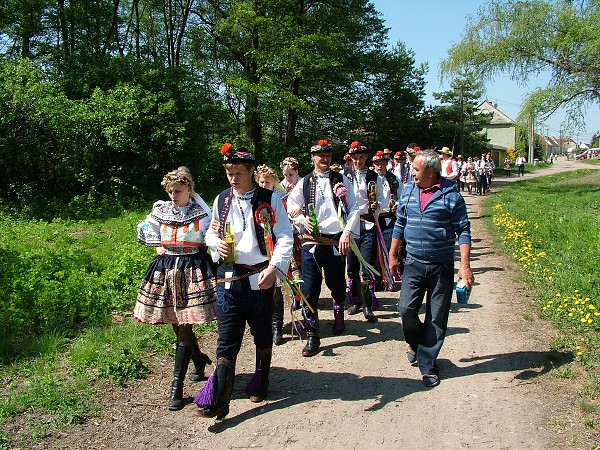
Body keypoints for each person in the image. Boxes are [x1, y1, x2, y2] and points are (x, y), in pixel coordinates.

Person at [194, 144, 293, 419]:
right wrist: (216, 245)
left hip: (259, 279)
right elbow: (211, 234)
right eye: (229, 173)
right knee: (227, 340)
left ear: (251, 171)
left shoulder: (270, 199)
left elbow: (285, 236)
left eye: (238, 173)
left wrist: (275, 267)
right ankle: (218, 400)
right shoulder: (221, 199)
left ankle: (261, 380)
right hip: (228, 279)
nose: (233, 178)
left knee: (261, 335)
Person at [389, 150, 473, 388]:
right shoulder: (408, 192)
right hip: (414, 263)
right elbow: (400, 224)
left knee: (436, 317)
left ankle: (428, 365)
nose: (412, 173)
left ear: (430, 171)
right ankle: (415, 342)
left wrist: (464, 267)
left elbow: (463, 231)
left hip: (441, 265)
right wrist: (393, 255)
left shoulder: (451, 195)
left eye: (416, 169)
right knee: (405, 309)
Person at [135, 166, 217, 411]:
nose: (173, 195)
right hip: (165, 270)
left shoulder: (201, 212)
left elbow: (211, 233)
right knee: (176, 324)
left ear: (188, 190)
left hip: (192, 271)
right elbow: (148, 228)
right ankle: (199, 360)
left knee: (184, 327)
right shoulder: (161, 209)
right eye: (170, 191)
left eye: (178, 191)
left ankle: (176, 389)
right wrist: (157, 245)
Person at [286, 139, 359, 357]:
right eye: (320, 155)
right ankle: (312, 335)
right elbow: (291, 204)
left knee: (336, 284)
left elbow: (354, 207)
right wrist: (300, 218)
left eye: (328, 155)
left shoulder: (341, 179)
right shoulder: (305, 182)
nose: (324, 159)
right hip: (311, 242)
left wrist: (347, 232)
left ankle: (338, 310)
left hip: (336, 241)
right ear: (313, 158)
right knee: (310, 289)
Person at [343, 141, 381, 322]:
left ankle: (367, 305)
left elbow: (381, 199)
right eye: (354, 158)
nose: (357, 161)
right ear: (350, 159)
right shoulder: (344, 176)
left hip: (368, 224)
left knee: (367, 266)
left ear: (366, 157)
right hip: (351, 227)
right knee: (351, 267)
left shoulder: (374, 176)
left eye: (361, 158)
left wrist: (377, 205)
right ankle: (355, 301)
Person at [255, 165, 288, 346]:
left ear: (274, 183)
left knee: (275, 286)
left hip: (276, 246)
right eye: (261, 181)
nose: (264, 184)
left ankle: (277, 327)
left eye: (268, 182)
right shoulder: (254, 198)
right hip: (259, 248)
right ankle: (264, 323)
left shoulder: (280, 199)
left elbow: (286, 223)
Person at [371, 150, 402, 290]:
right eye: (376, 164)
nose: (379, 166)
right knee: (374, 250)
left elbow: (402, 196)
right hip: (373, 219)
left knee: (388, 248)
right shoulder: (369, 179)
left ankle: (389, 279)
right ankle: (377, 280)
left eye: (382, 164)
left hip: (389, 217)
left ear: (386, 164)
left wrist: (398, 205)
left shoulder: (394, 179)